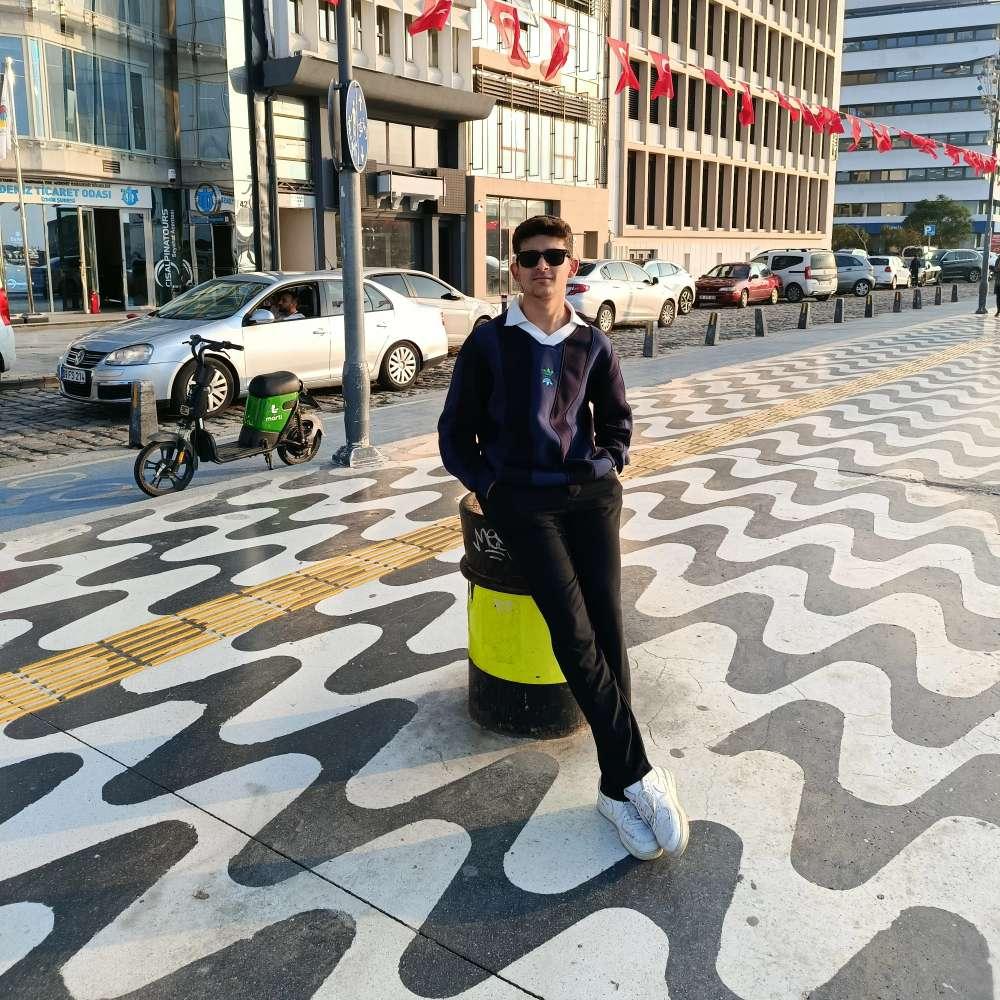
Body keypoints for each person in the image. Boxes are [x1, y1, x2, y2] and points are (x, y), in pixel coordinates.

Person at [438, 215, 689, 862]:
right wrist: (492, 486)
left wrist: (610, 462)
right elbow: (453, 433)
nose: (542, 267)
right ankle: (637, 773)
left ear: (571, 266)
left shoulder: (591, 342)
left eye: (554, 256)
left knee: (608, 627)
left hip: (590, 496)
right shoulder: (490, 342)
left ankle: (613, 784)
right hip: (524, 504)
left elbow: (617, 419)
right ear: (514, 268)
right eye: (530, 258)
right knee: (572, 631)